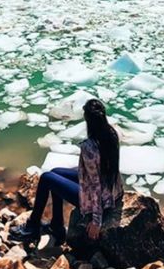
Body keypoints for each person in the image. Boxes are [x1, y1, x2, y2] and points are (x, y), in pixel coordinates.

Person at [10, 99, 123, 243]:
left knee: (46, 178)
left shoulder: (90, 147)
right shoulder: (111, 134)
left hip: (100, 200)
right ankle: (57, 225)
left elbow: (95, 186)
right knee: (55, 172)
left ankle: (32, 227)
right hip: (113, 192)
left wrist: (96, 221)